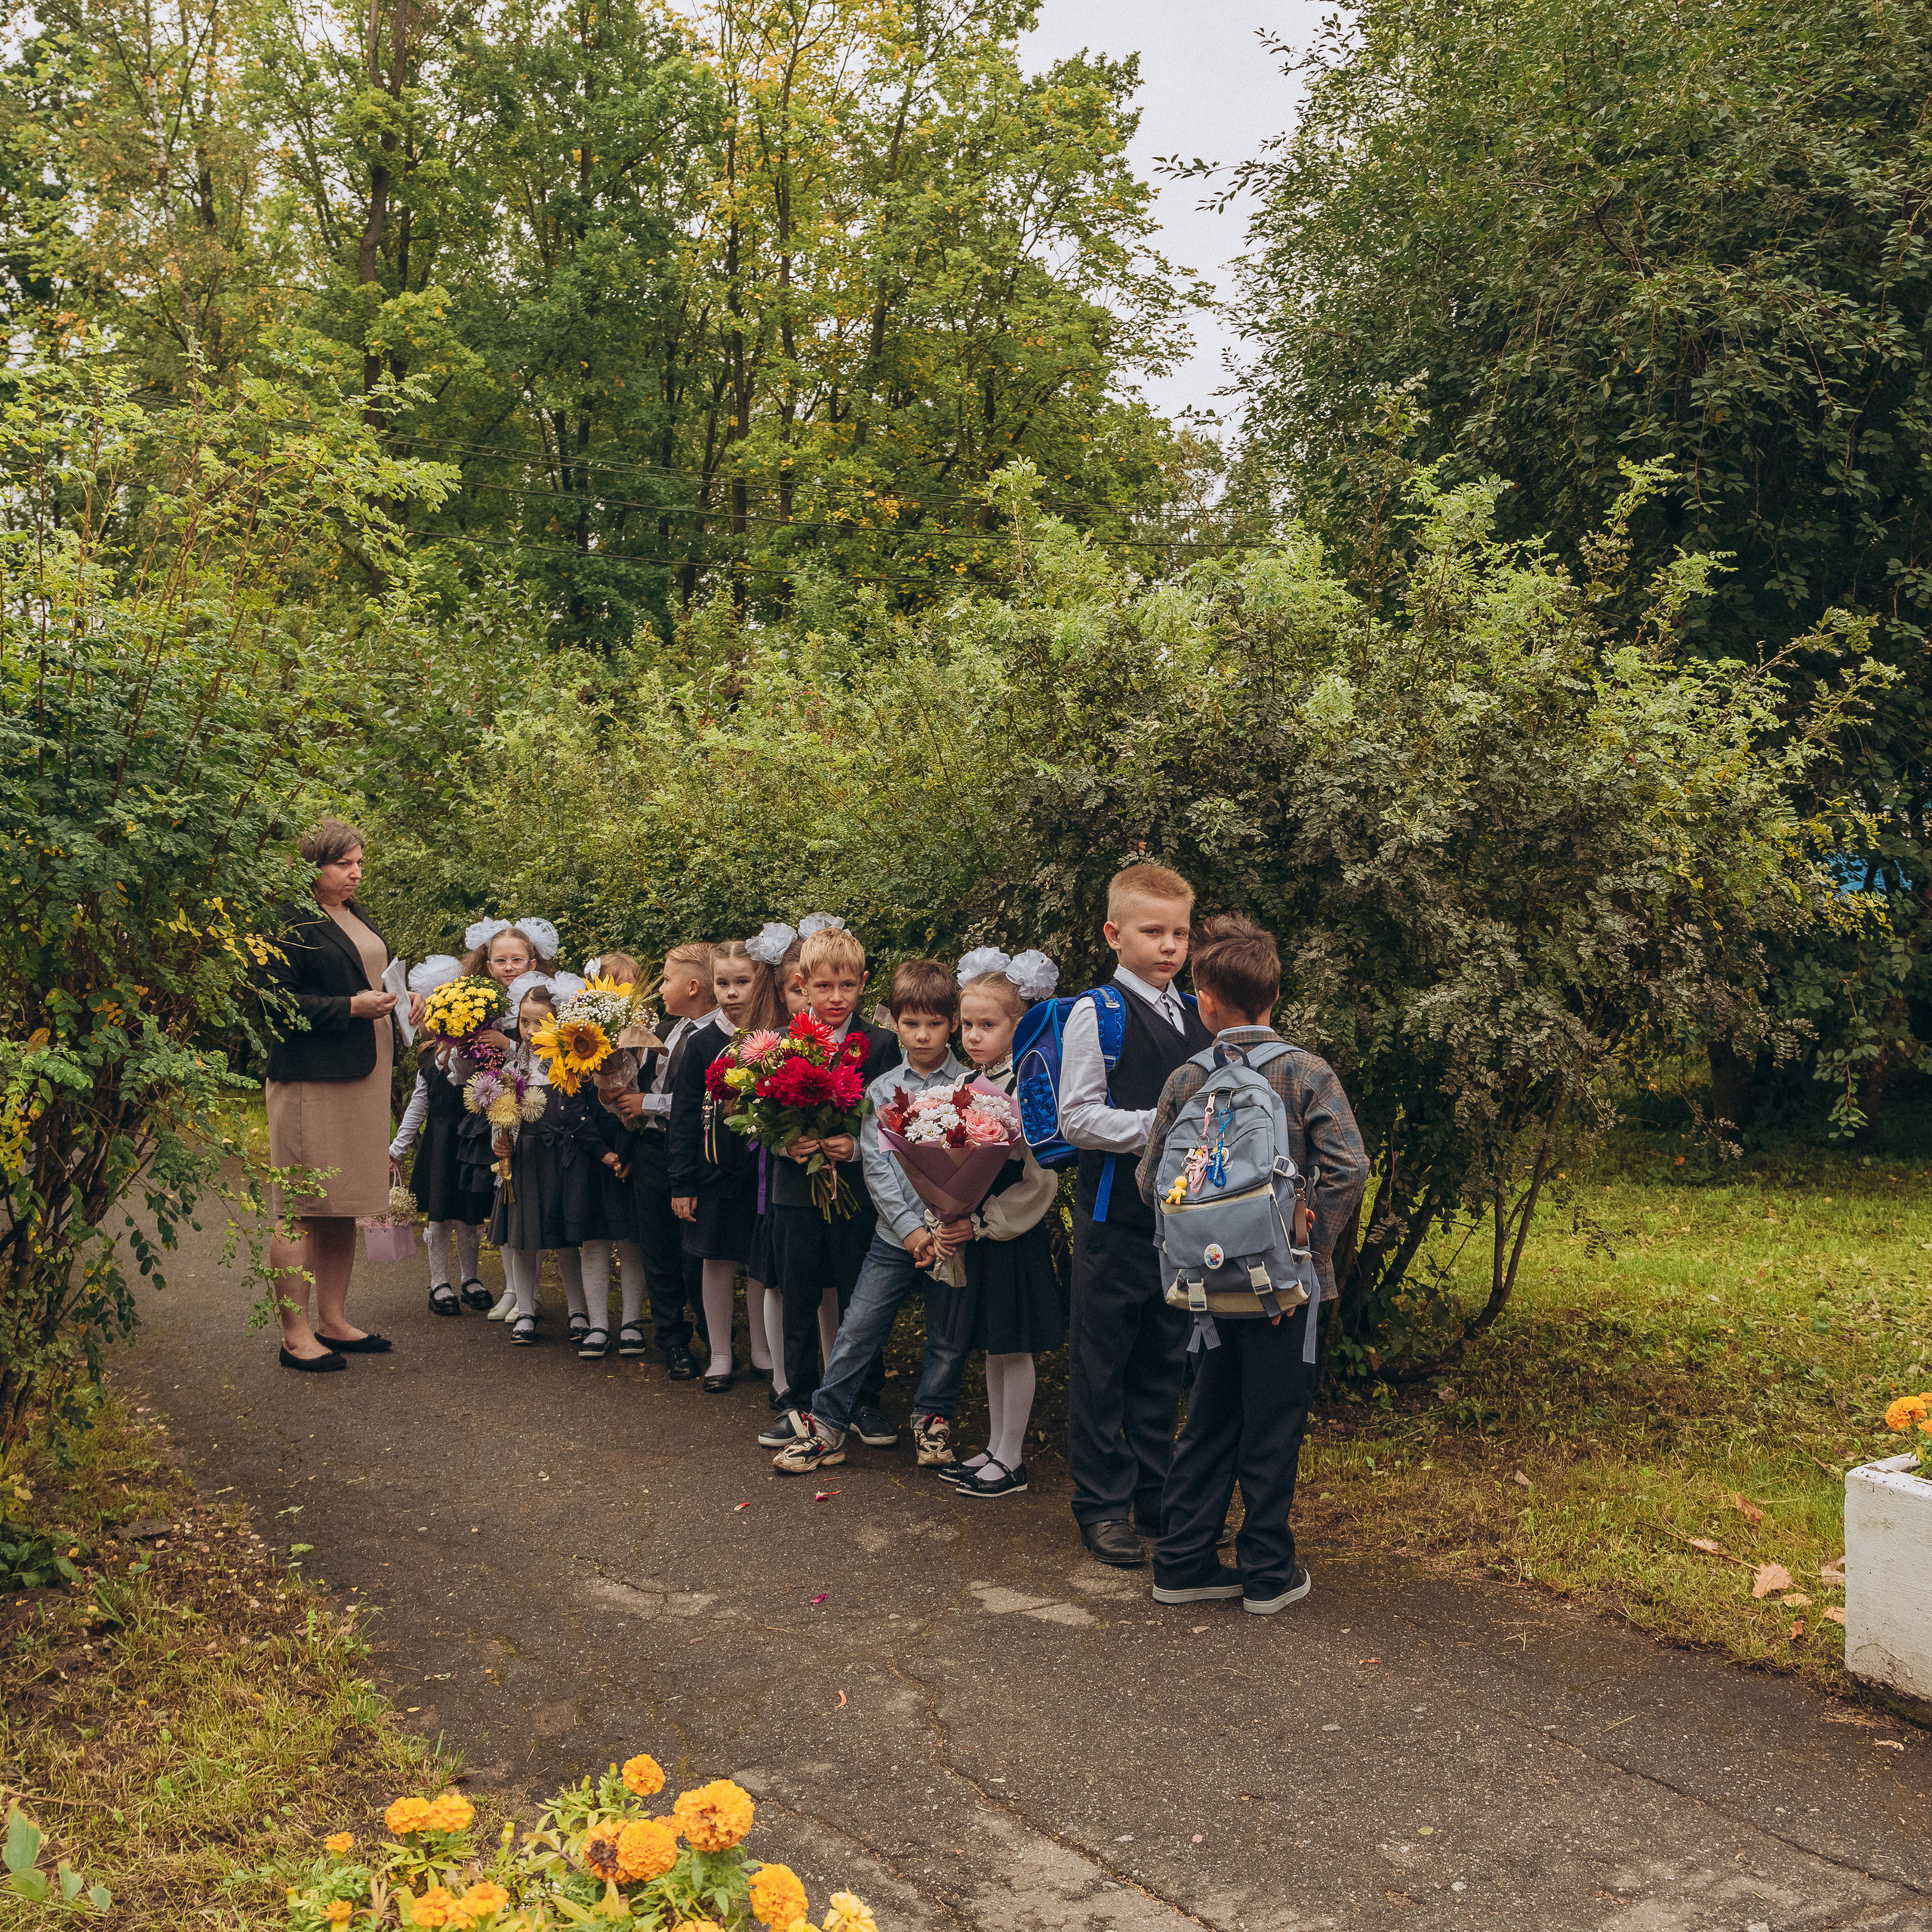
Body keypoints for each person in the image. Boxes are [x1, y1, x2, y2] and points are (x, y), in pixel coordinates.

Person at [1137, 914, 1367, 1613]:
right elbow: (1348, 1167)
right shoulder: (1305, 1071)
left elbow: (1153, 1179)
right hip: (1285, 1290)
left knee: (1208, 1417)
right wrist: (1310, 1247)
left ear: (1204, 1000)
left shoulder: (1186, 1078)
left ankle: (1182, 1562)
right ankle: (1267, 1571)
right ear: (1274, 993)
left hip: (1207, 1289)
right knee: (1272, 1422)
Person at [1059, 863, 1213, 1566]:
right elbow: (1078, 1117)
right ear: (1114, 935)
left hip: (1179, 1223)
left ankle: (1155, 1494)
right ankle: (1100, 1504)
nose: (1169, 946)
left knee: (1164, 1358)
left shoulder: (1196, 1015)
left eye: (1179, 933)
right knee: (1102, 1365)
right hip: (1114, 1219)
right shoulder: (1100, 1012)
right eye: (1153, 932)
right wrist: (1166, 1125)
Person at [769, 958, 970, 1472]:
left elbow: (977, 1166)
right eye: (910, 1024)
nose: (922, 1036)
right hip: (894, 1235)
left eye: (934, 1024)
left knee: (946, 1336)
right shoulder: (882, 1089)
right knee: (858, 1327)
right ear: (894, 1023)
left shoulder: (972, 1088)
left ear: (953, 1023)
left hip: (950, 1235)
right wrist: (907, 1231)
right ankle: (829, 1424)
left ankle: (933, 1422)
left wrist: (944, 1225)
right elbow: (877, 1167)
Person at [261, 819, 406, 1374]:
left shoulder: (354, 914)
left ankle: (333, 1320)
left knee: (342, 1204)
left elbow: (372, 976)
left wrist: (402, 999)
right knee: (299, 1208)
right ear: (312, 866)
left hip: (362, 1077)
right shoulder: (288, 923)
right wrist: (350, 1007)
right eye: (344, 864)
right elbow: (275, 1005)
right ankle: (295, 1335)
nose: (355, 873)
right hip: (311, 1081)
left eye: (359, 863)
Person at [928, 955, 1065, 1497]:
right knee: (991, 1345)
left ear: (1017, 1025)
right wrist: (943, 1215)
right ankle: (993, 1445)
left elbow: (1040, 1179)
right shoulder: (965, 1083)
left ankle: (1012, 1459)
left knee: (1015, 1346)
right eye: (968, 1025)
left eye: (989, 1025)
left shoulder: (1029, 1087)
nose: (974, 1036)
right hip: (974, 1238)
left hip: (1010, 1237)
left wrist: (982, 1222)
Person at [762, 922, 900, 1427]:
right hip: (795, 1192)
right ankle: (797, 1401)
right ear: (802, 984)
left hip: (858, 1195)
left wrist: (857, 1146)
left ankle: (864, 1399)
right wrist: (785, 1142)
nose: (836, 997)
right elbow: (761, 1122)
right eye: (823, 986)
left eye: (847, 986)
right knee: (797, 1299)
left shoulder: (882, 1044)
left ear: (863, 982)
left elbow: (893, 1120)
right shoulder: (778, 1043)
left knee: (857, 1301)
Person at [669, 939, 782, 1391]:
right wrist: (682, 1182)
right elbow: (682, 1118)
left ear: (760, 984)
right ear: (711, 986)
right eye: (723, 983)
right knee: (715, 1260)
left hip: (761, 1174)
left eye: (742, 982)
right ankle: (719, 1352)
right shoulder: (701, 1044)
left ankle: (762, 1348)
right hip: (713, 1173)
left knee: (759, 1261)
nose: (733, 992)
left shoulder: (777, 1036)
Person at [602, 942, 715, 1377]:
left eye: (666, 980)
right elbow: (636, 1092)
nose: (659, 988)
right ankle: (673, 1341)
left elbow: (699, 1102)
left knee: (695, 1254)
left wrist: (648, 1102)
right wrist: (617, 1100)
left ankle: (714, 1337)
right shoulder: (663, 1032)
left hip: (693, 1154)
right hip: (650, 1152)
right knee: (657, 1250)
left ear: (692, 986)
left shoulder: (718, 1037)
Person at [490, 974, 621, 1346]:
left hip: (566, 1156)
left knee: (566, 1237)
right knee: (523, 1238)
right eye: (524, 1022)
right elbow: (500, 1109)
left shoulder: (570, 1059)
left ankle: (577, 1309)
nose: (530, 1032)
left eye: (540, 1022)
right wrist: (499, 1145)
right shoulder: (514, 1058)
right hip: (525, 1156)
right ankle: (527, 1309)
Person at [448, 917, 561, 1321]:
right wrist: (463, 1048)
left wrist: (508, 1042)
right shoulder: (479, 1004)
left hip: (536, 1112)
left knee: (530, 1206)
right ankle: (513, 1290)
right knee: (505, 1202)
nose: (510, 967)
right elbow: (461, 1076)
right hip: (496, 1113)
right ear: (488, 964)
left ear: (534, 960)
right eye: (501, 961)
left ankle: (526, 1293)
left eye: (518, 959)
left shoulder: (544, 998)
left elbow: (546, 1056)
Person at [390, 954, 497, 1318]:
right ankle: (439, 1282)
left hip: (471, 1139)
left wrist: (462, 1047)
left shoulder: (478, 1052)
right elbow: (419, 1103)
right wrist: (398, 1147)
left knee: (469, 1216)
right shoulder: (427, 1057)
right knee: (438, 1216)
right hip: (439, 1141)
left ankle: (471, 1278)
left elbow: (470, 1080)